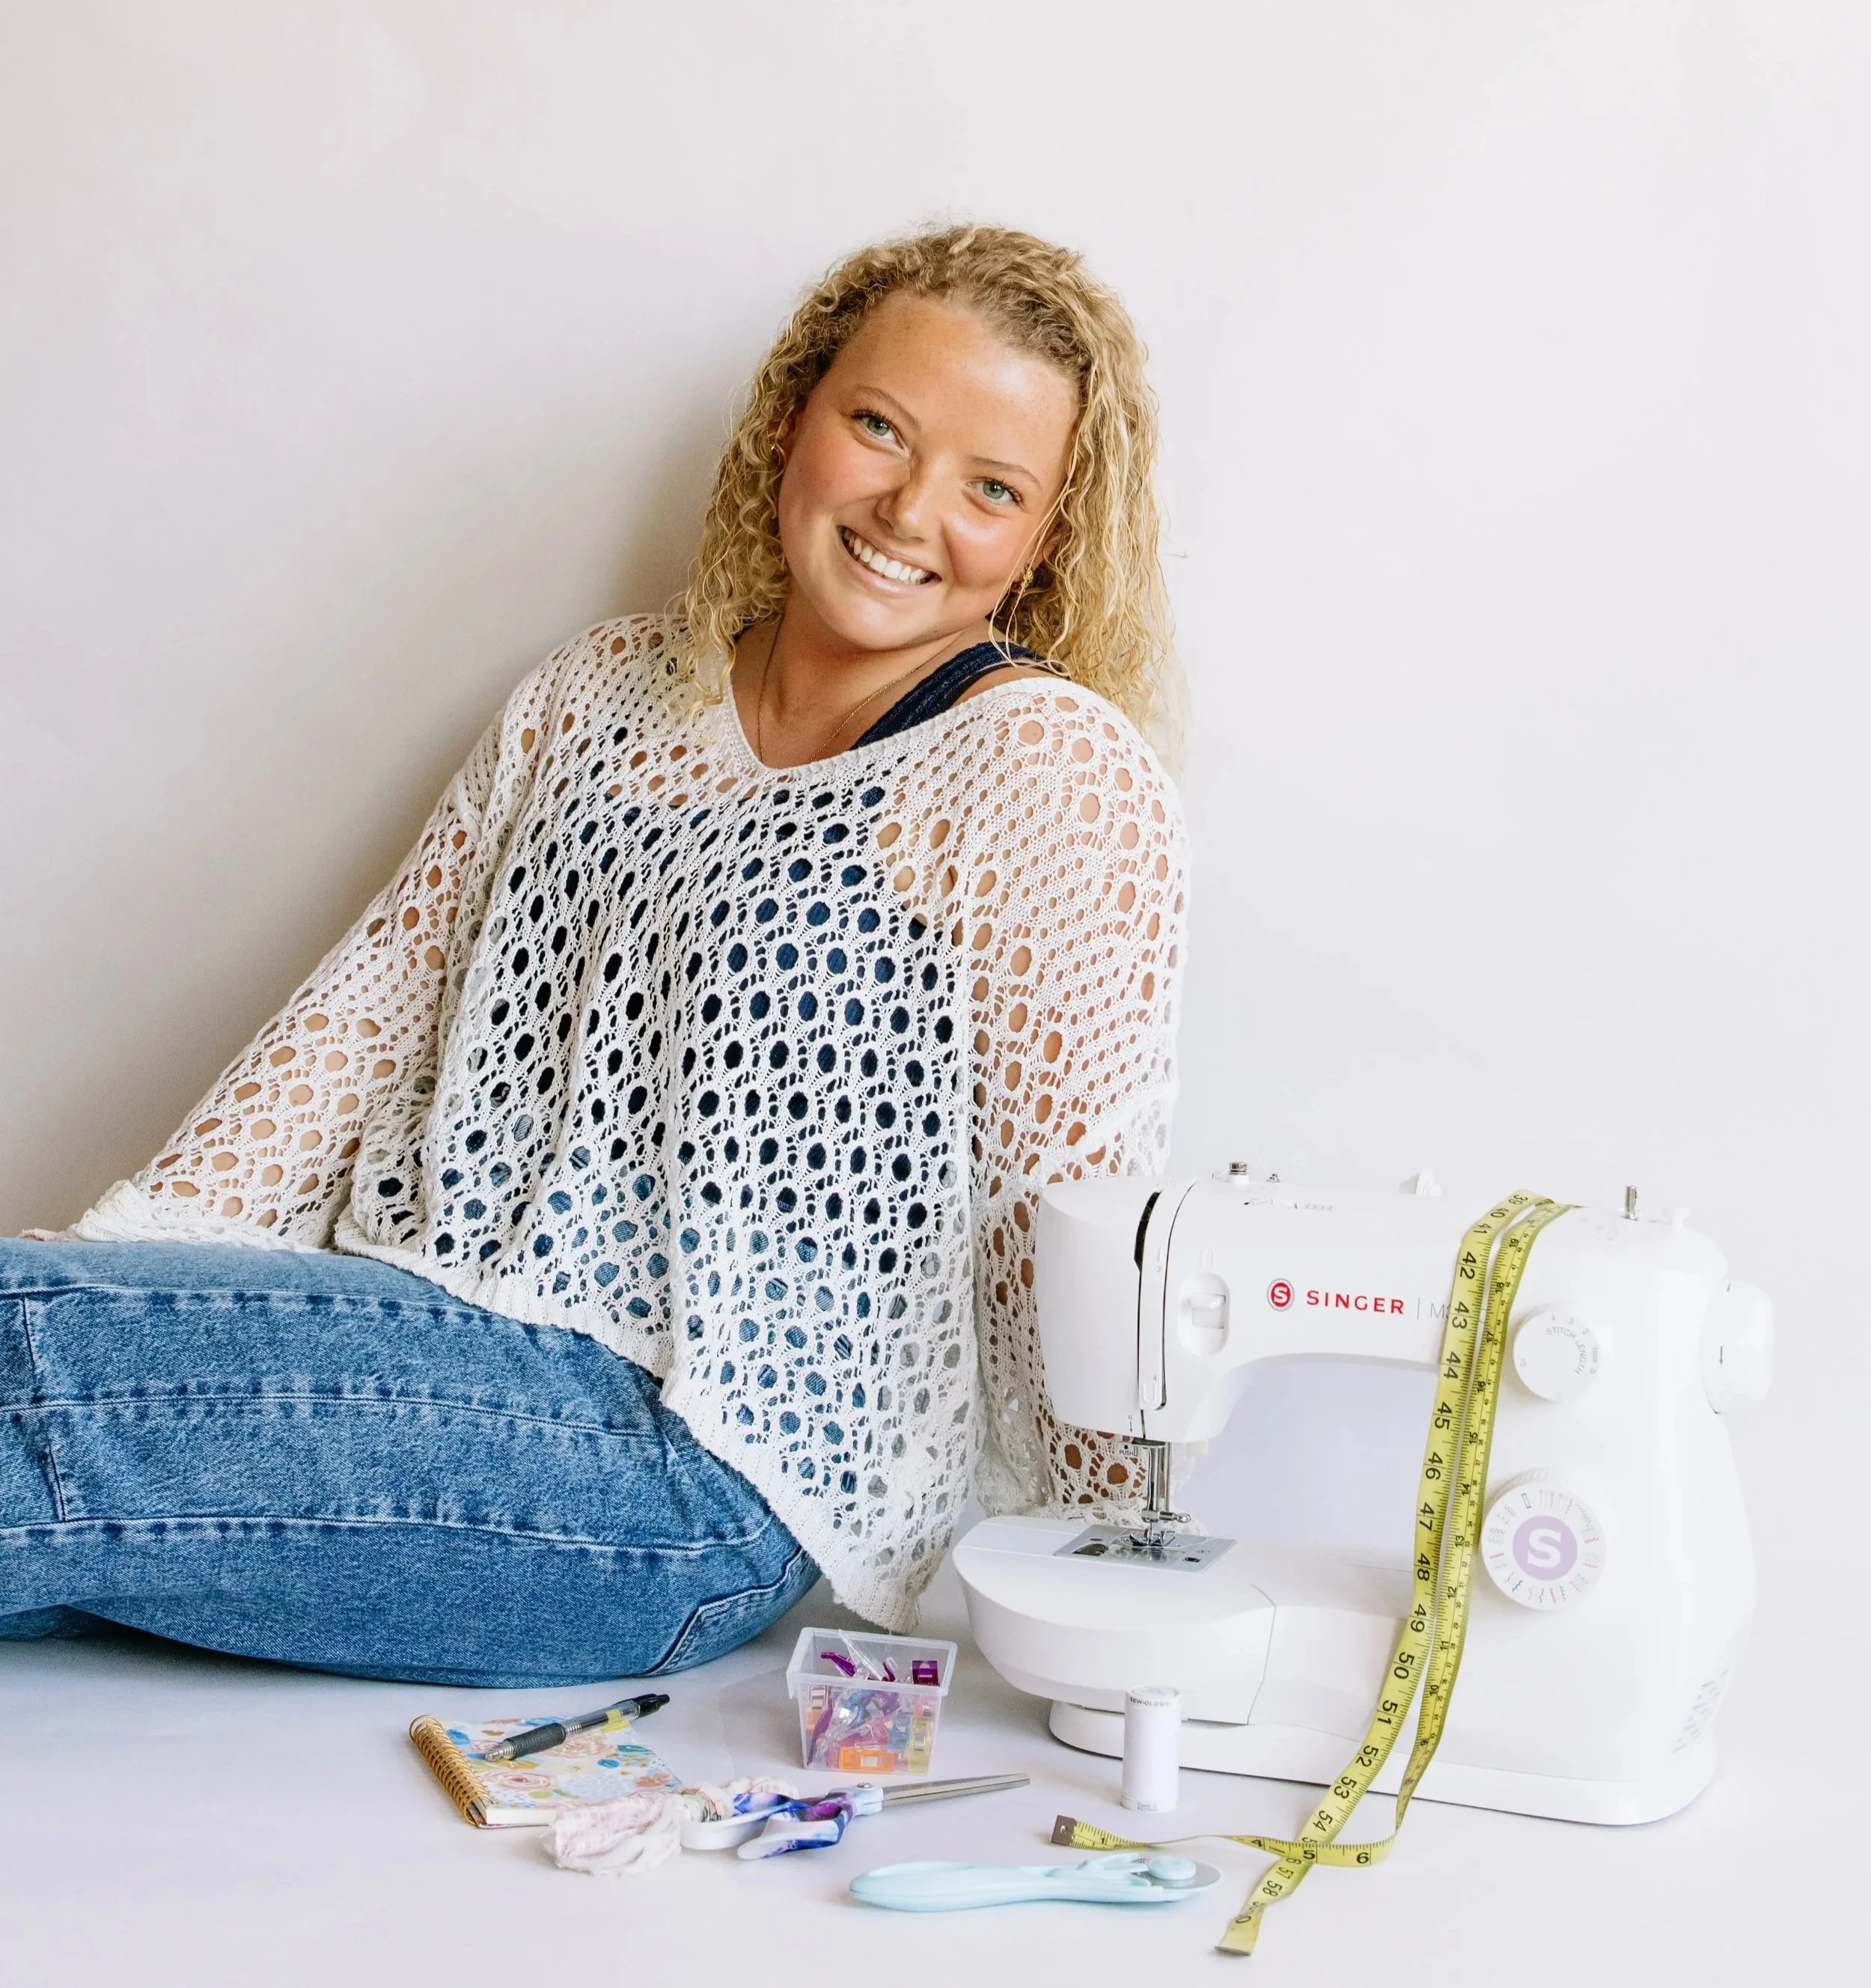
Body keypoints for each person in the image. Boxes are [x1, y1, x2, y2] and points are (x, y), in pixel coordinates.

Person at [0, 225, 1189, 1686]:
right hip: (422, 1326)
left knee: (22, 1371)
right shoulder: (596, 691)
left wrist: (1119, 1595)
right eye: (878, 425)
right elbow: (374, 1008)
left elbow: (1064, 1205)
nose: (909, 507)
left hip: (689, 1475)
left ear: (1046, 536)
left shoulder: (1038, 768)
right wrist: (123, 1269)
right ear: (792, 416)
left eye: (989, 486)